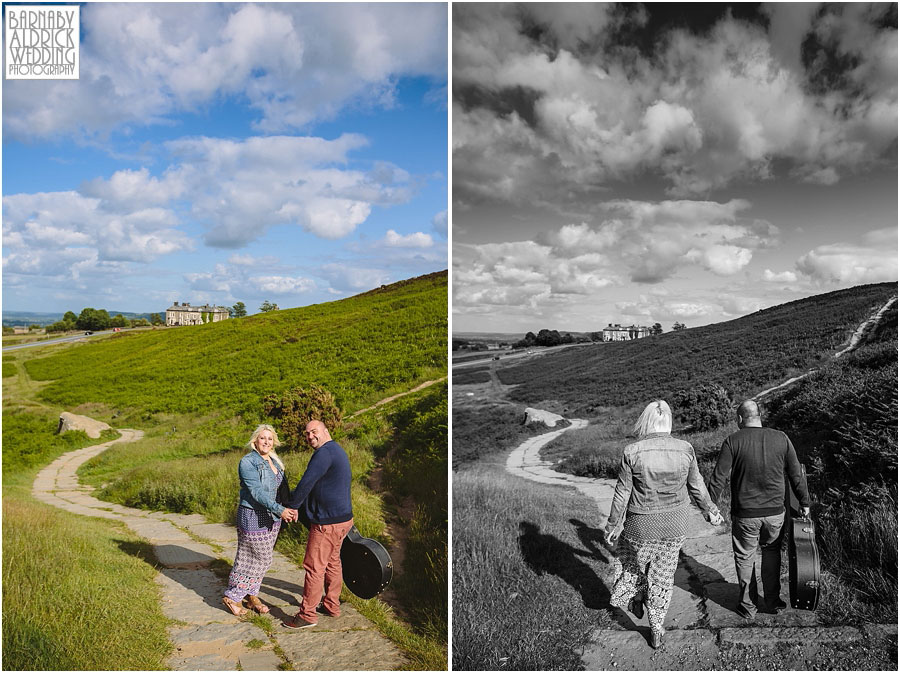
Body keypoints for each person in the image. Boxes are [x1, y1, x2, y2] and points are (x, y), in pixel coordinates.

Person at [604, 400, 723, 649]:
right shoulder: (685, 448)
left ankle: (635, 596)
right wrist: (710, 511)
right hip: (676, 524)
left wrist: (613, 525)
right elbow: (697, 486)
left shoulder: (632, 451)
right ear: (669, 422)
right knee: (664, 574)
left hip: (640, 523)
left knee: (630, 562)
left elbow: (622, 493)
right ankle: (657, 628)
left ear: (646, 422)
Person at [707, 399, 810, 619]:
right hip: (775, 512)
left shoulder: (732, 441)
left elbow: (718, 478)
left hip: (745, 514)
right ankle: (772, 602)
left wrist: (710, 507)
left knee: (745, 557)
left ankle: (748, 607)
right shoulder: (781, 438)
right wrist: (805, 502)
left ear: (739, 419)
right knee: (771, 553)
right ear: (759, 415)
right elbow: (796, 475)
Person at [282, 419, 354, 629]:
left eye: (314, 432)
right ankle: (332, 606)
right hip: (342, 520)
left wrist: (293, 506)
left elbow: (307, 481)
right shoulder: (336, 450)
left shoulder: (324, 453)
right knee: (333, 562)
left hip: (327, 523)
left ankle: (307, 615)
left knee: (314, 567)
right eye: (306, 434)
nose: (310, 436)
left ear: (325, 430)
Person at [223, 424, 298, 616]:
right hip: (253, 515)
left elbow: (281, 489)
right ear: (255, 440)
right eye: (262, 438)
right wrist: (279, 509)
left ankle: (251, 595)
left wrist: (290, 507)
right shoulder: (247, 462)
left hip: (272, 517)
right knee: (256, 558)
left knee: (259, 558)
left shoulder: (275, 461)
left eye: (270, 438)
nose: (266, 442)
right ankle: (233, 596)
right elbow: (256, 492)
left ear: (274, 442)